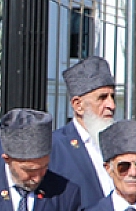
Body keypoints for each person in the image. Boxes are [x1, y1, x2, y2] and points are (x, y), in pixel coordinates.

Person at [49, 56, 116, 203]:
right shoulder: (56, 147)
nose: (111, 105)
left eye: (112, 96)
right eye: (102, 98)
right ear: (78, 105)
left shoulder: (119, 144)